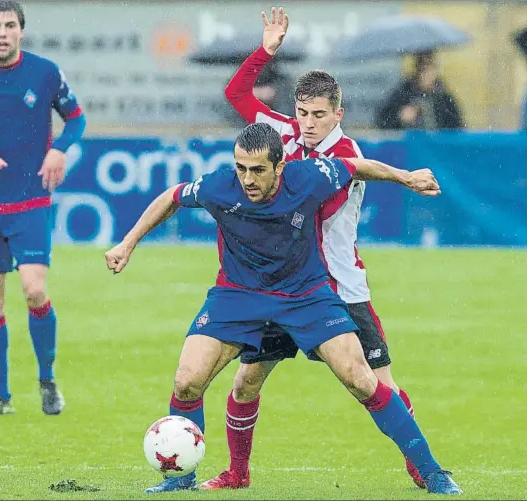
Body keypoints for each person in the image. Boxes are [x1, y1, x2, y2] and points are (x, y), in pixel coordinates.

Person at [105, 122, 461, 496]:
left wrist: (405, 178)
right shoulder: (219, 186)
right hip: (238, 296)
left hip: (305, 294)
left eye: (257, 169)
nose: (247, 178)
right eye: (241, 167)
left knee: (361, 379)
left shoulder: (309, 177)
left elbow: (356, 166)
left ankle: (433, 473)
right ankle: (181, 478)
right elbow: (171, 197)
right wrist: (127, 244)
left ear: (281, 165)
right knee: (187, 381)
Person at [201, 7, 430, 490]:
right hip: (286, 290)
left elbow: (309, 212)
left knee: (377, 387)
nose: (307, 124)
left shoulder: (348, 158)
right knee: (246, 381)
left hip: (339, 289)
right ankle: (237, 473)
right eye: (302, 112)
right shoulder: (283, 134)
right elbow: (235, 95)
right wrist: (267, 51)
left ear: (338, 114)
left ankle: (422, 468)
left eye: (319, 115)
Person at [0, 0, 86, 415]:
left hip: (30, 201)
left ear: (20, 31)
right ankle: (0, 397)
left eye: (9, 25)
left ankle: (47, 380)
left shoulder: (44, 72)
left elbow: (77, 119)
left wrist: (60, 150)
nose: (2, 33)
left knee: (34, 290)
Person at [375, 50, 463, 130]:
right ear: (417, 70)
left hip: (436, 145)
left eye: (431, 68)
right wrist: (400, 117)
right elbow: (382, 120)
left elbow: (456, 126)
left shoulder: (443, 96)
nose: (427, 74)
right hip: (410, 145)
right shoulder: (403, 93)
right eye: (423, 69)